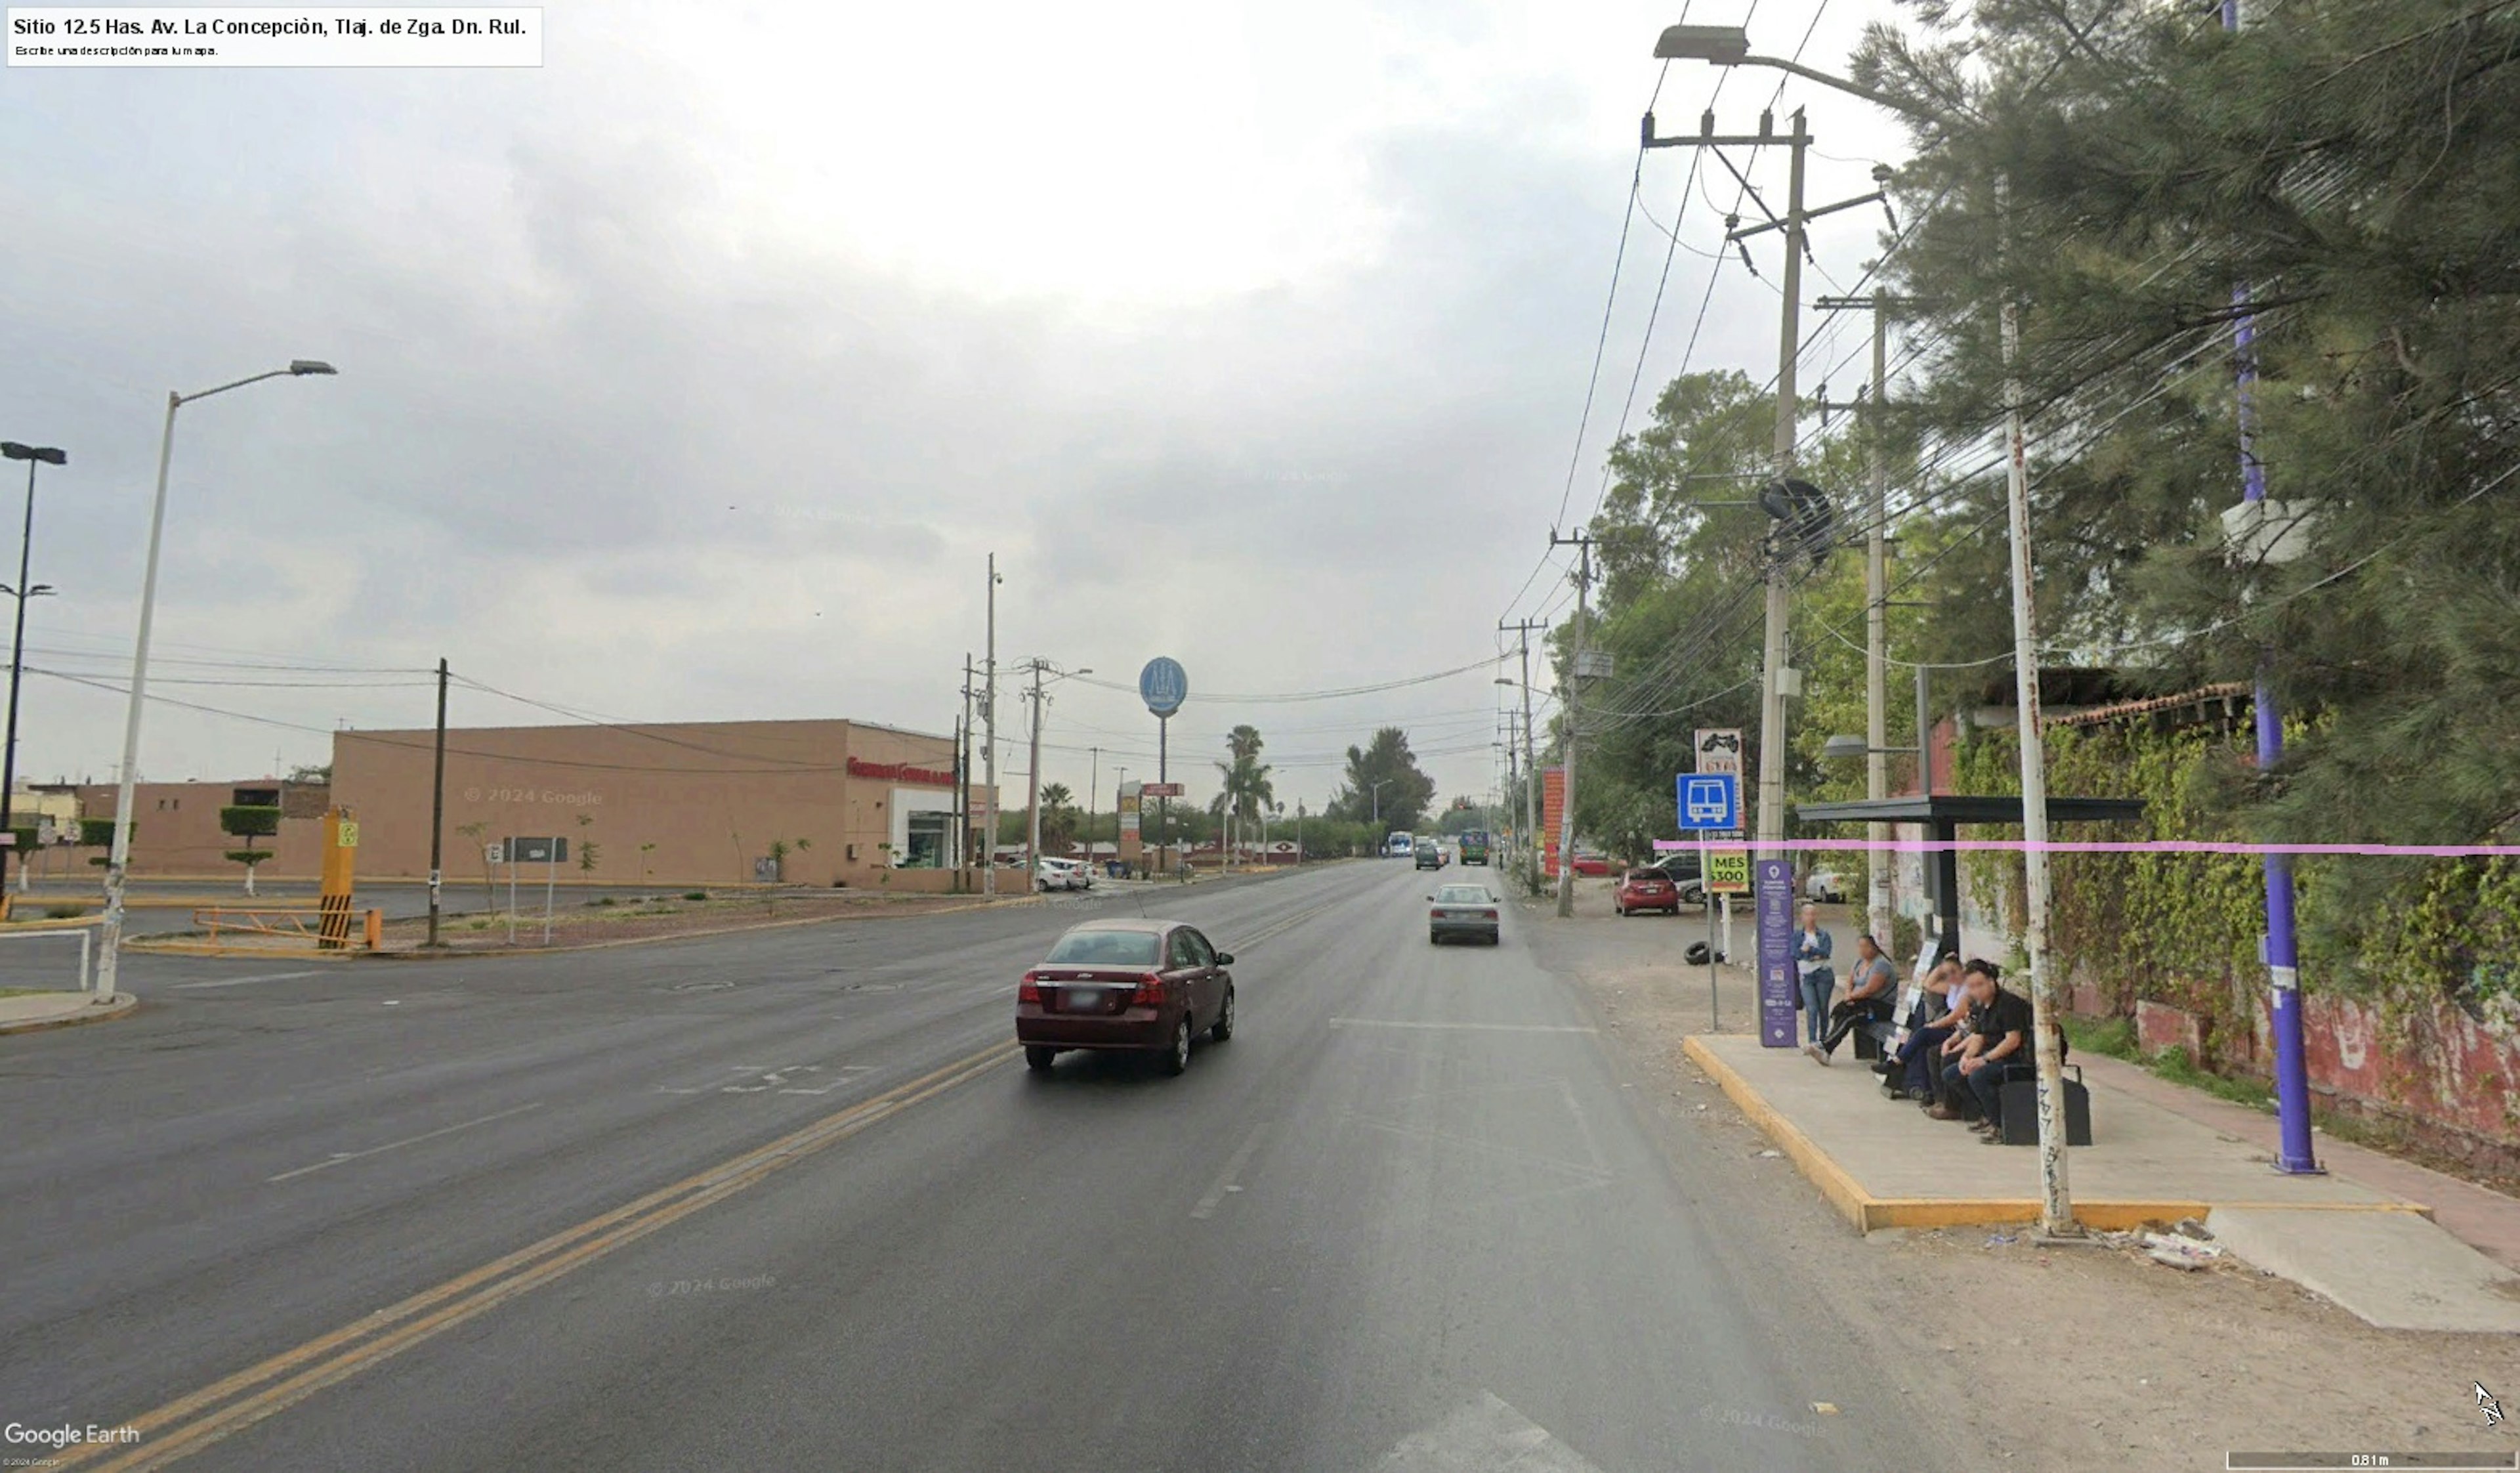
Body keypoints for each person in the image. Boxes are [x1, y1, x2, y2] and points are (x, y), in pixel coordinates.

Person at [1931, 961, 2034, 1136]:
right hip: (1994, 1055)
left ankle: (2001, 1124)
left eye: (1980, 984)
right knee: (1952, 1074)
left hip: (2017, 1058)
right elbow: (1978, 1037)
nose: (1977, 990)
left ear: (1992, 982)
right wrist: (1968, 1057)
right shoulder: (1981, 1006)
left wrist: (1984, 1060)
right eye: (1971, 987)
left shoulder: (2009, 1004)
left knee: (1979, 1077)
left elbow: (2013, 1041)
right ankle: (1985, 1114)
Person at [1881, 954, 1964, 1103]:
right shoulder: (1952, 988)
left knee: (1924, 1034)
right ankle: (1926, 1090)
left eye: (1954, 972)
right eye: (1947, 974)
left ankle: (1897, 1062)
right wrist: (1941, 966)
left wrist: (1933, 1025)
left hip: (1959, 1031)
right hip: (1954, 1030)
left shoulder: (1967, 990)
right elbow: (1928, 984)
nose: (1951, 977)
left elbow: (1956, 1016)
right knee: (1922, 1043)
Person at [1807, 933, 1897, 1065]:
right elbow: (1850, 981)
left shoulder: (1881, 965)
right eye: (1860, 946)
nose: (1862, 950)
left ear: (1874, 947)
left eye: (1865, 946)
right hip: (1859, 1002)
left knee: (1852, 1017)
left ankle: (1825, 1046)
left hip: (1879, 1007)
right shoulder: (1859, 962)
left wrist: (1852, 997)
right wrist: (1848, 996)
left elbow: (1871, 989)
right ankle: (1826, 1049)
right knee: (1841, 1011)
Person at [1794, 903, 1835, 1046]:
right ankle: (1812, 1040)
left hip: (1823, 974)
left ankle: (1824, 1040)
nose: (1810, 917)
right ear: (1802, 917)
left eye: (1813, 914)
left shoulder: (1824, 935)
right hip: (1807, 976)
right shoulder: (1797, 935)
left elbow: (1826, 953)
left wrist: (1809, 950)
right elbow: (1796, 954)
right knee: (1812, 1008)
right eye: (1807, 914)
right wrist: (1813, 955)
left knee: (1823, 1008)